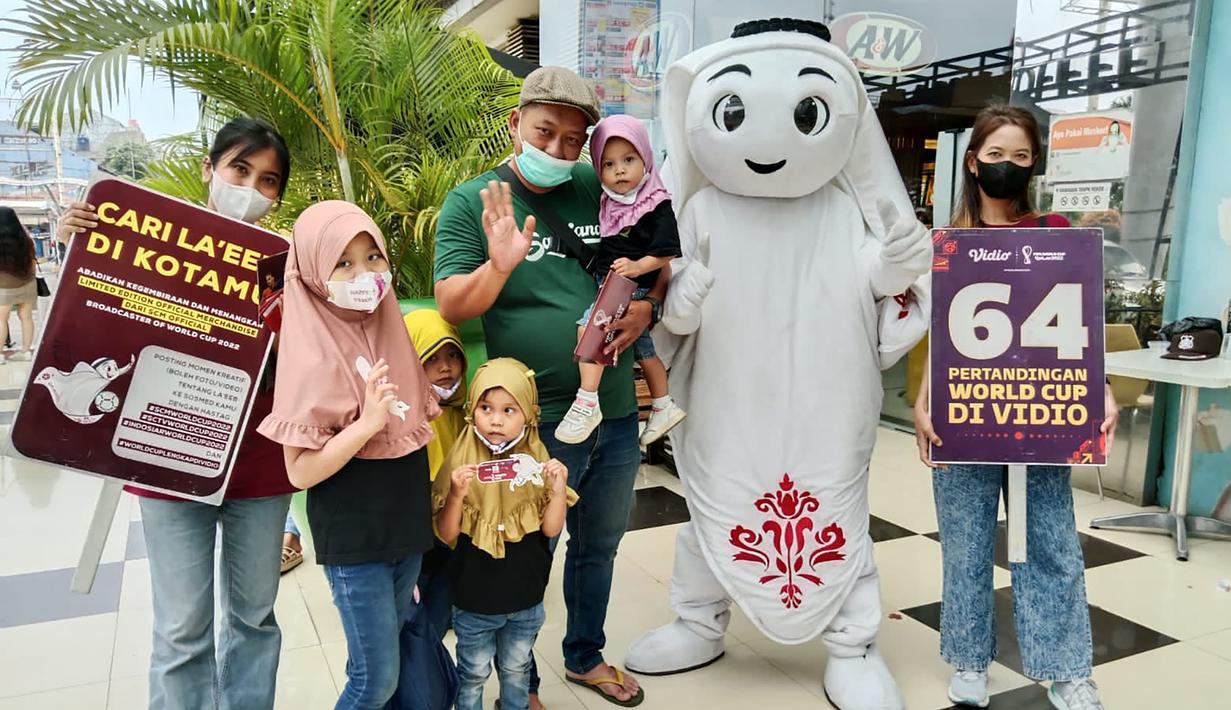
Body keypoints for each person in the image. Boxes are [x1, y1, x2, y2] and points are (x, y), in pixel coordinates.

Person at [624, 20, 931, 710]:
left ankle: (852, 643)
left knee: (834, 508)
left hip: (826, 398)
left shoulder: (843, 209)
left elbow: (879, 289)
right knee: (714, 505)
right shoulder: (697, 210)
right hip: (727, 398)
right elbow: (670, 316)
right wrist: (684, 302)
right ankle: (699, 621)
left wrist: (897, 260)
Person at [56, 117, 296, 709]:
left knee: (254, 620)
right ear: (208, 170)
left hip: (262, 468)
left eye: (268, 181)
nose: (251, 188)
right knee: (182, 630)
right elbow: (96, 322)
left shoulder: (288, 262)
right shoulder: (151, 242)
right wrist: (80, 247)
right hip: (169, 458)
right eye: (240, 169)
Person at [434, 66, 653, 707]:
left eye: (571, 140)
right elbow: (450, 303)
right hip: (533, 421)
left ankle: (584, 655)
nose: (558, 151)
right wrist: (498, 267)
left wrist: (645, 310)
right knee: (530, 546)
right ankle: (518, 677)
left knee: (601, 545)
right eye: (545, 133)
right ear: (516, 125)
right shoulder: (473, 200)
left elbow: (651, 261)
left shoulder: (600, 185)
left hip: (610, 407)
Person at [913, 104, 1119, 710]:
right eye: (996, 155)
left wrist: (1098, 389)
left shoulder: (1055, 231)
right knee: (965, 541)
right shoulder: (946, 244)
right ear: (973, 161)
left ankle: (1065, 668)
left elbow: (1082, 325)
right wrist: (924, 404)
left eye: (1021, 156)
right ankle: (970, 659)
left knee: (1050, 539)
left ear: (1035, 165)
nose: (1007, 166)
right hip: (964, 414)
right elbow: (939, 337)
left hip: (1040, 415)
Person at [258, 200, 439, 709]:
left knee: (379, 660)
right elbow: (300, 470)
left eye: (372, 257)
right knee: (374, 680)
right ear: (315, 271)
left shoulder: (393, 327)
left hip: (405, 525)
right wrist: (365, 426)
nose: (365, 274)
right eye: (344, 262)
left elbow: (418, 428)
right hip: (355, 537)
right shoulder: (307, 352)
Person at [433, 358, 577, 710]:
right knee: (473, 673)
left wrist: (558, 489)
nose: (496, 420)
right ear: (472, 411)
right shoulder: (461, 461)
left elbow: (551, 528)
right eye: (486, 407)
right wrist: (455, 495)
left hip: (525, 598)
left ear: (528, 414)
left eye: (509, 410)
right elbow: (445, 533)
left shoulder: (536, 460)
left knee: (517, 670)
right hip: (474, 601)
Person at [557, 114, 685, 446]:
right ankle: (663, 404)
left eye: (629, 160)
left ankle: (587, 399)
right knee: (644, 351)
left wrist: (637, 266)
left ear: (646, 157)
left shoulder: (655, 203)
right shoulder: (610, 201)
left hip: (629, 285)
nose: (620, 170)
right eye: (609, 164)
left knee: (588, 328)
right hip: (617, 283)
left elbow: (668, 251)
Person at [406, 307, 471, 637]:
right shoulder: (404, 420)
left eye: (452, 356)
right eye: (431, 359)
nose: (445, 368)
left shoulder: (469, 413)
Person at [0, 207, 39, 361]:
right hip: (27, 282)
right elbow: (33, 261)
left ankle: (0, 355)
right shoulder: (27, 240)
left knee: (2, 319)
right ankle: (26, 351)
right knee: (26, 317)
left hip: (3, 285)